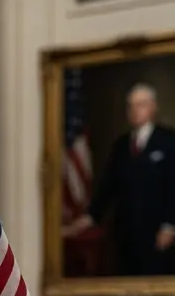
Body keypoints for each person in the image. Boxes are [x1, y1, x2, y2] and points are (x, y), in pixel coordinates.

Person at [71, 84, 175, 277]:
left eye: (141, 104)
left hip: (158, 231)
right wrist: (90, 217)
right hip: (125, 232)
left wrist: (170, 225)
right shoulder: (120, 145)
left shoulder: (169, 141)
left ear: (153, 107)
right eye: (131, 105)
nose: (135, 110)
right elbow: (108, 186)